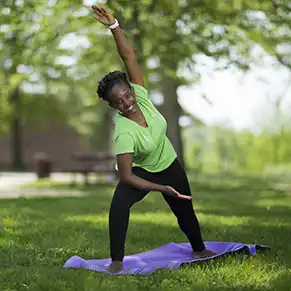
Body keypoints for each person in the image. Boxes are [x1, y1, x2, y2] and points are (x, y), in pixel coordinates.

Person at [91, 5, 216, 274]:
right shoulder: (124, 132)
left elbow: (129, 58)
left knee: (185, 208)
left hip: (168, 162)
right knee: (119, 205)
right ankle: (116, 262)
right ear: (113, 107)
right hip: (140, 171)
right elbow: (126, 177)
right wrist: (160, 189)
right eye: (120, 102)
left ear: (131, 89)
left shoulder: (141, 94)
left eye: (127, 95)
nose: (128, 103)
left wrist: (114, 26)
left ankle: (199, 249)